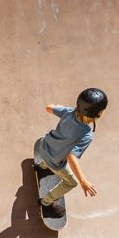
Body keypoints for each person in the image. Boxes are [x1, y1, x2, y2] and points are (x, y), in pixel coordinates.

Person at [34, 88, 107, 218]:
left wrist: (58, 107)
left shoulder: (69, 111)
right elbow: (71, 157)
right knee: (71, 182)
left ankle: (40, 166)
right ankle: (46, 202)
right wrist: (83, 181)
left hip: (44, 146)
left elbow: (48, 108)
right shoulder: (86, 135)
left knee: (54, 154)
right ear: (99, 114)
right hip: (55, 160)